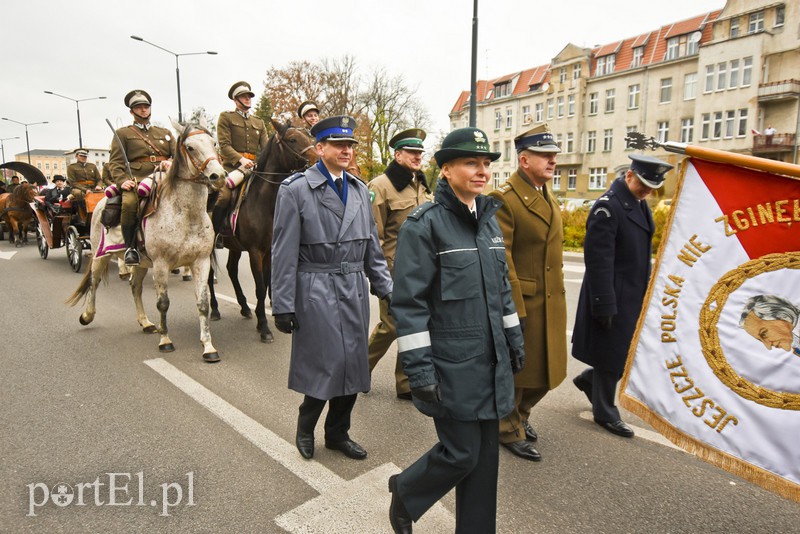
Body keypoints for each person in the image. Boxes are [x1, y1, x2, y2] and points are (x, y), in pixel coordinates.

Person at [388, 127, 525, 533]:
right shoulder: (423, 225)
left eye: (485, 164)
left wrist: (514, 340)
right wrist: (421, 372)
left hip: (491, 360)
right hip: (452, 364)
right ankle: (406, 492)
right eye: (471, 163)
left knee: (485, 461)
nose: (482, 171)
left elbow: (501, 292)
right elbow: (408, 306)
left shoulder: (489, 222)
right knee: (462, 453)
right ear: (446, 169)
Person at [271, 115, 393, 462]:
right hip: (316, 287)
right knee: (325, 365)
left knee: (354, 366)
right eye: (338, 145)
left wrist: (386, 289)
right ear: (320, 148)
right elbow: (284, 251)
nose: (346, 150)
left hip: (352, 287)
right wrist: (282, 303)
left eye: (350, 145)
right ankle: (306, 425)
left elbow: (372, 246)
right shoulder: (295, 190)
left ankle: (338, 432)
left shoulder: (358, 190)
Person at [571, 153, 673, 438]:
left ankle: (589, 381)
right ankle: (605, 412)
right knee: (612, 354)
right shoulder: (608, 207)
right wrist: (603, 303)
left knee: (625, 353)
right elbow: (599, 260)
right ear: (629, 175)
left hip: (631, 293)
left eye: (651, 187)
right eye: (643, 184)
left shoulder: (638, 204)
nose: (647, 192)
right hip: (612, 293)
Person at [487, 123, 567, 462]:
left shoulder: (545, 192)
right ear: (524, 160)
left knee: (546, 373)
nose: (552, 161)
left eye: (553, 156)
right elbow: (501, 258)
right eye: (544, 156)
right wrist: (513, 310)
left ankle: (521, 415)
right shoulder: (504, 199)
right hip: (527, 302)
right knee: (520, 372)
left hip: (551, 300)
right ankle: (507, 427)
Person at [367, 128, 432, 401]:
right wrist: (380, 276)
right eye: (412, 152)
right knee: (391, 326)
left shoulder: (423, 186)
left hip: (422, 271)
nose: (418, 156)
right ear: (397, 155)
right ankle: (358, 369)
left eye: (420, 152)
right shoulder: (380, 186)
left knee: (415, 327)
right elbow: (374, 236)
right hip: (393, 271)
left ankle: (405, 382)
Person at [108, 89, 176, 266]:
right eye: (139, 107)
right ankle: (131, 247)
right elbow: (115, 163)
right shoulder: (122, 134)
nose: (143, 110)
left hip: (165, 177)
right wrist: (123, 181)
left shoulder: (165, 133)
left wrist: (171, 162)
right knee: (129, 204)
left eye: (146, 106)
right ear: (132, 111)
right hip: (137, 179)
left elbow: (178, 157)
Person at [211, 81, 268, 243]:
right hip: (233, 167)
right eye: (244, 96)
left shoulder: (258, 122)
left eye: (249, 96)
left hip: (255, 168)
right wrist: (241, 159)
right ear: (236, 100)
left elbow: (265, 147)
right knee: (224, 196)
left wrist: (261, 163)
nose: (248, 99)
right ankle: (217, 234)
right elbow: (224, 145)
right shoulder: (226, 117)